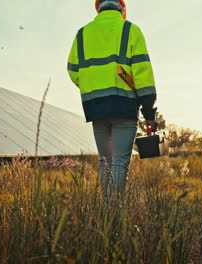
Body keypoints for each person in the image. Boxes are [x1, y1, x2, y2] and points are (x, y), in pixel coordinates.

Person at [67, 0, 158, 198]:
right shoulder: (130, 29)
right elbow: (143, 73)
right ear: (122, 9)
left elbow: (73, 71)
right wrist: (148, 110)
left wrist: (92, 87)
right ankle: (112, 212)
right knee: (118, 163)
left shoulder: (82, 33)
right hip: (124, 105)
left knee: (105, 162)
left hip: (95, 107)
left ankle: (104, 211)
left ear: (98, 8)